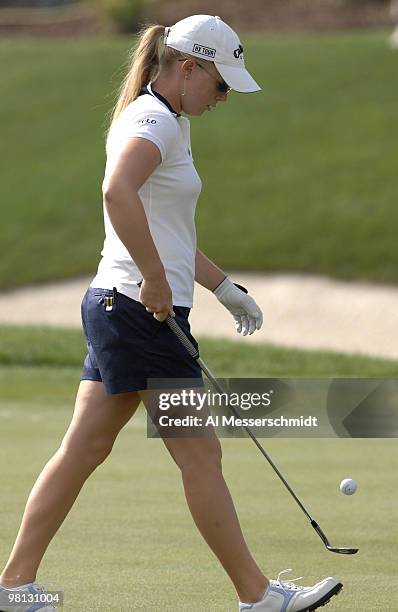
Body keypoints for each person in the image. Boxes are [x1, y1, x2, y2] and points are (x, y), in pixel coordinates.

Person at [0, 15, 343, 612]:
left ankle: (12, 585)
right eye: (220, 84)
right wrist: (157, 281)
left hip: (122, 306)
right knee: (199, 451)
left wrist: (220, 285)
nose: (224, 97)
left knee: (84, 447)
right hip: (139, 310)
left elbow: (169, 229)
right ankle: (258, 596)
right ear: (188, 68)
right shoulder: (154, 119)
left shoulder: (168, 120)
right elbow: (117, 192)